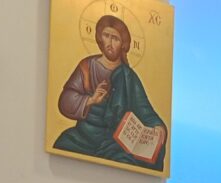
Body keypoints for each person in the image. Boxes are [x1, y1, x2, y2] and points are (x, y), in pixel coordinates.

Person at [53, 15, 168, 171]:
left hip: (114, 144)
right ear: (100, 38)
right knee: (62, 144)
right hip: (83, 137)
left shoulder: (128, 77)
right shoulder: (87, 67)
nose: (110, 43)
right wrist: (90, 100)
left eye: (115, 38)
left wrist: (158, 128)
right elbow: (65, 99)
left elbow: (145, 110)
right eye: (106, 36)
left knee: (126, 163)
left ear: (123, 44)